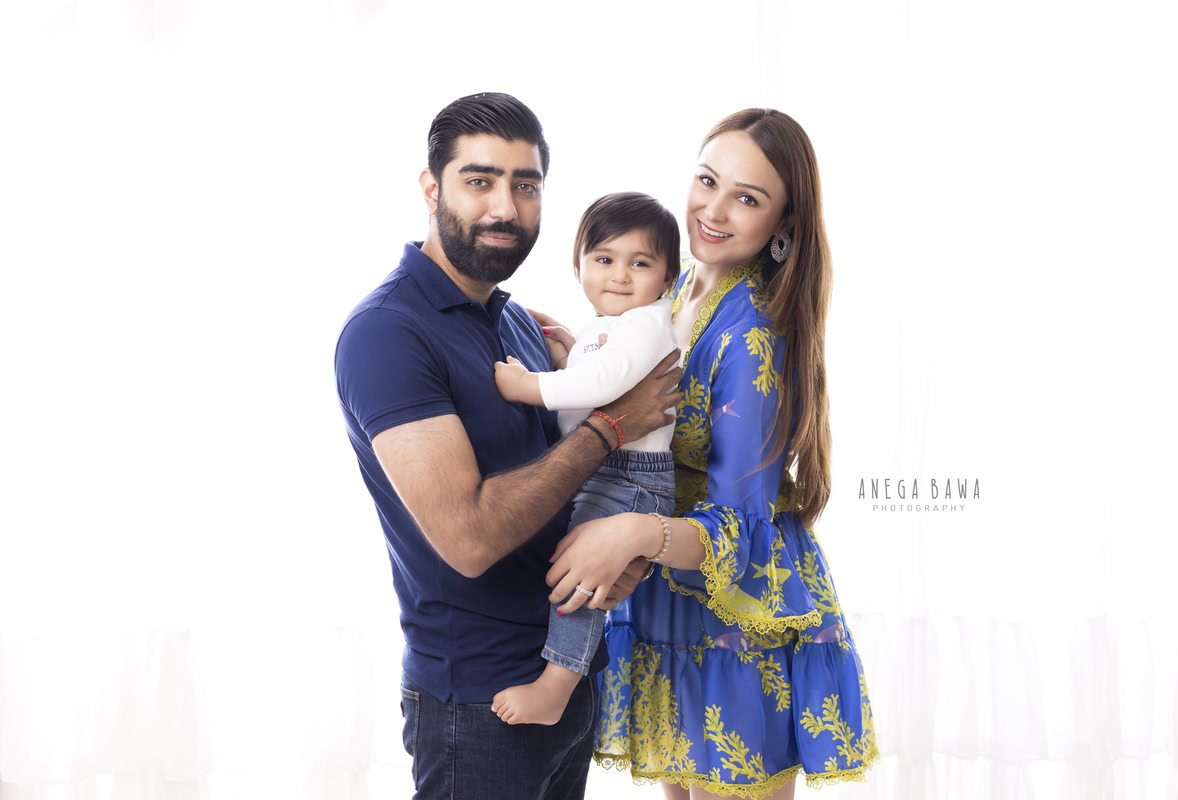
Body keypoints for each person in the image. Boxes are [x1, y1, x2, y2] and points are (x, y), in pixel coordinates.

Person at [333, 93, 682, 800]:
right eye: (480, 180)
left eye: (526, 186)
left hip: (566, 677)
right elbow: (469, 536)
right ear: (431, 188)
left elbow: (577, 497)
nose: (505, 206)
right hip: (477, 704)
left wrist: (620, 564)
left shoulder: (519, 323)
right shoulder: (387, 333)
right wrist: (612, 424)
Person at [540, 109, 881, 798]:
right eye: (706, 180)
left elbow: (741, 529)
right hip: (672, 599)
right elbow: (644, 401)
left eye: (747, 198)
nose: (713, 211)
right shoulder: (675, 287)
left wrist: (632, 532)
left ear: (783, 224)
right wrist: (578, 360)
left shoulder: (754, 334)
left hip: (740, 612)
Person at [489, 192, 682, 726]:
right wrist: (566, 348)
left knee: (578, 577)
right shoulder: (610, 325)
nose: (620, 275)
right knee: (574, 570)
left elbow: (610, 379)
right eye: (604, 259)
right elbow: (599, 370)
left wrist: (531, 386)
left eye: (640, 263)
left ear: (668, 278)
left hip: (628, 477)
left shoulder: (645, 321)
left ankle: (557, 685)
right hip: (608, 470)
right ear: (579, 265)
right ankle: (561, 673)